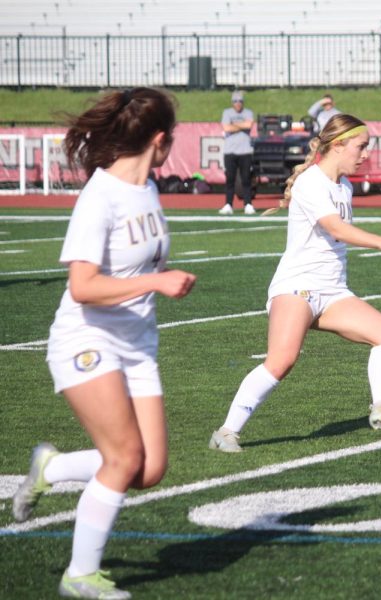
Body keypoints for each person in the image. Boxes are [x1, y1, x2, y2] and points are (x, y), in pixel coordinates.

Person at [12, 88, 197, 599]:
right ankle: (80, 575)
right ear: (159, 140)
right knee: (122, 459)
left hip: (138, 345)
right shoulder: (100, 196)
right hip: (86, 339)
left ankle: (53, 467)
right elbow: (83, 287)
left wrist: (157, 282)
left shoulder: (149, 189)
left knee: (149, 468)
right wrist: (157, 283)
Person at [210, 114, 381, 453]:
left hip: (333, 291)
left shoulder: (345, 185)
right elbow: (337, 229)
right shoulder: (311, 182)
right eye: (361, 146)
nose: (366, 154)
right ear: (338, 145)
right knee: (282, 360)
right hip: (297, 287)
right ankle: (226, 432)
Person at [219, 90, 256, 215]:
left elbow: (249, 125)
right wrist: (241, 125)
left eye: (240, 101)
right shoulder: (226, 112)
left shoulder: (248, 112)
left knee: (246, 179)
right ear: (232, 103)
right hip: (230, 151)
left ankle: (248, 204)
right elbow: (226, 127)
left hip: (245, 151)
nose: (238, 103)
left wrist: (234, 125)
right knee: (230, 179)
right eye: (235, 101)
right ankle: (228, 204)